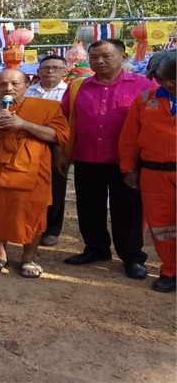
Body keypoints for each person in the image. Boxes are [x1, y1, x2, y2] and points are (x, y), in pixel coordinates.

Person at [62, 39, 157, 279]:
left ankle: (132, 256)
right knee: (88, 207)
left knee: (129, 210)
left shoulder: (144, 86)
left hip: (126, 162)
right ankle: (96, 249)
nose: (100, 61)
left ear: (123, 56)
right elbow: (63, 120)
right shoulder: (77, 87)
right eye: (94, 57)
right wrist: (62, 154)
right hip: (86, 157)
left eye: (106, 56)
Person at [0, 69, 69, 278]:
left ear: (27, 85)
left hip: (31, 165)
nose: (8, 88)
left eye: (15, 84)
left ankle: (28, 257)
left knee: (33, 210)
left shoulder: (46, 108)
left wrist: (23, 124)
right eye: (3, 84)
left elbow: (58, 135)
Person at [118, 48, 177, 292]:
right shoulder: (144, 99)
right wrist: (128, 168)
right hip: (154, 174)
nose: (168, 84)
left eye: (172, 80)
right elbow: (130, 138)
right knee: (162, 226)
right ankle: (170, 271)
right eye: (163, 80)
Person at [24, 55, 70, 247]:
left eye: (56, 68)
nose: (50, 71)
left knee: (56, 186)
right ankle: (29, 226)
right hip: (29, 141)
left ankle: (52, 229)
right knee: (30, 185)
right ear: (39, 71)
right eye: (46, 68)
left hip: (57, 143)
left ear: (64, 71)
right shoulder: (27, 91)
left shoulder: (70, 92)